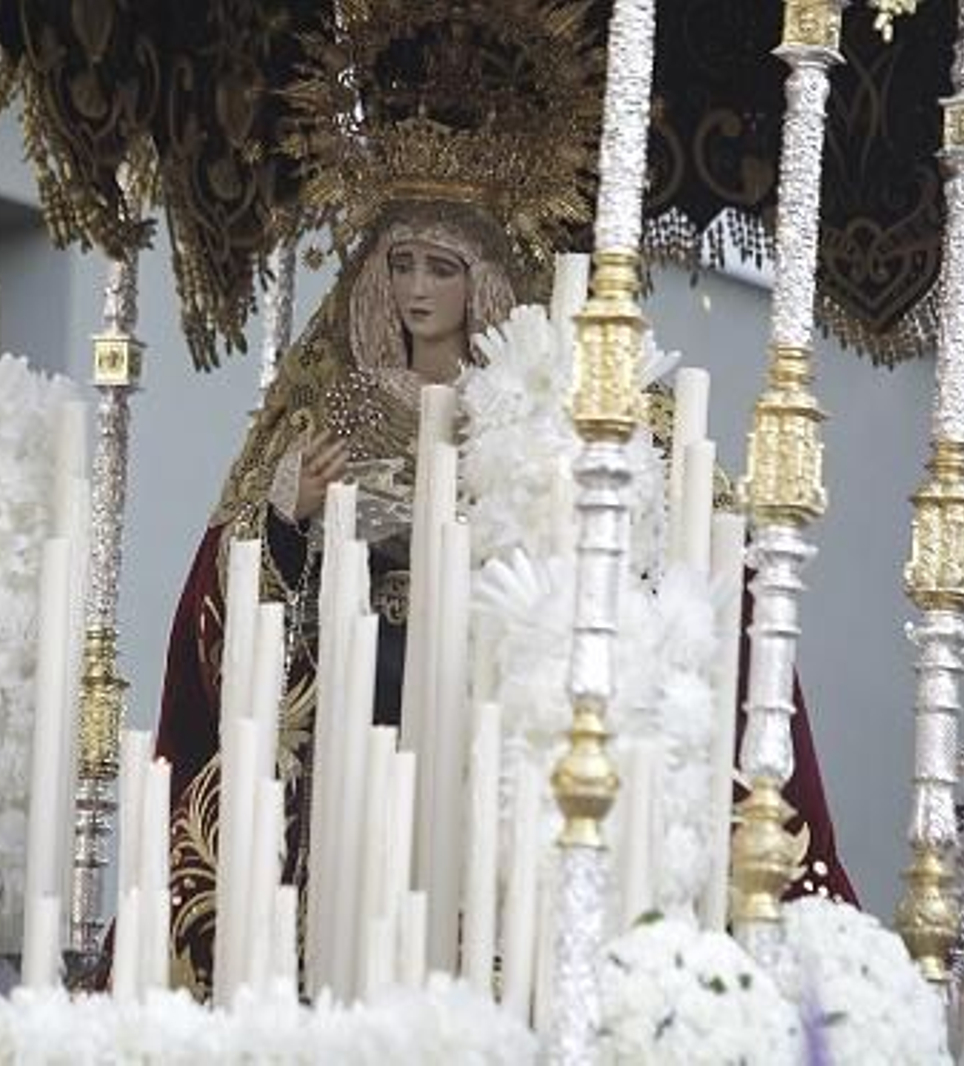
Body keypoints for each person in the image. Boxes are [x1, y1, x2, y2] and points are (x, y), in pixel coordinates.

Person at [153, 195, 855, 997]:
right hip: (369, 706)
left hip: (490, 701)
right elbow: (252, 599)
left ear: (480, 284)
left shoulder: (535, 409)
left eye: (440, 268)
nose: (417, 289)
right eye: (402, 265)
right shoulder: (343, 405)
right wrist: (291, 512)